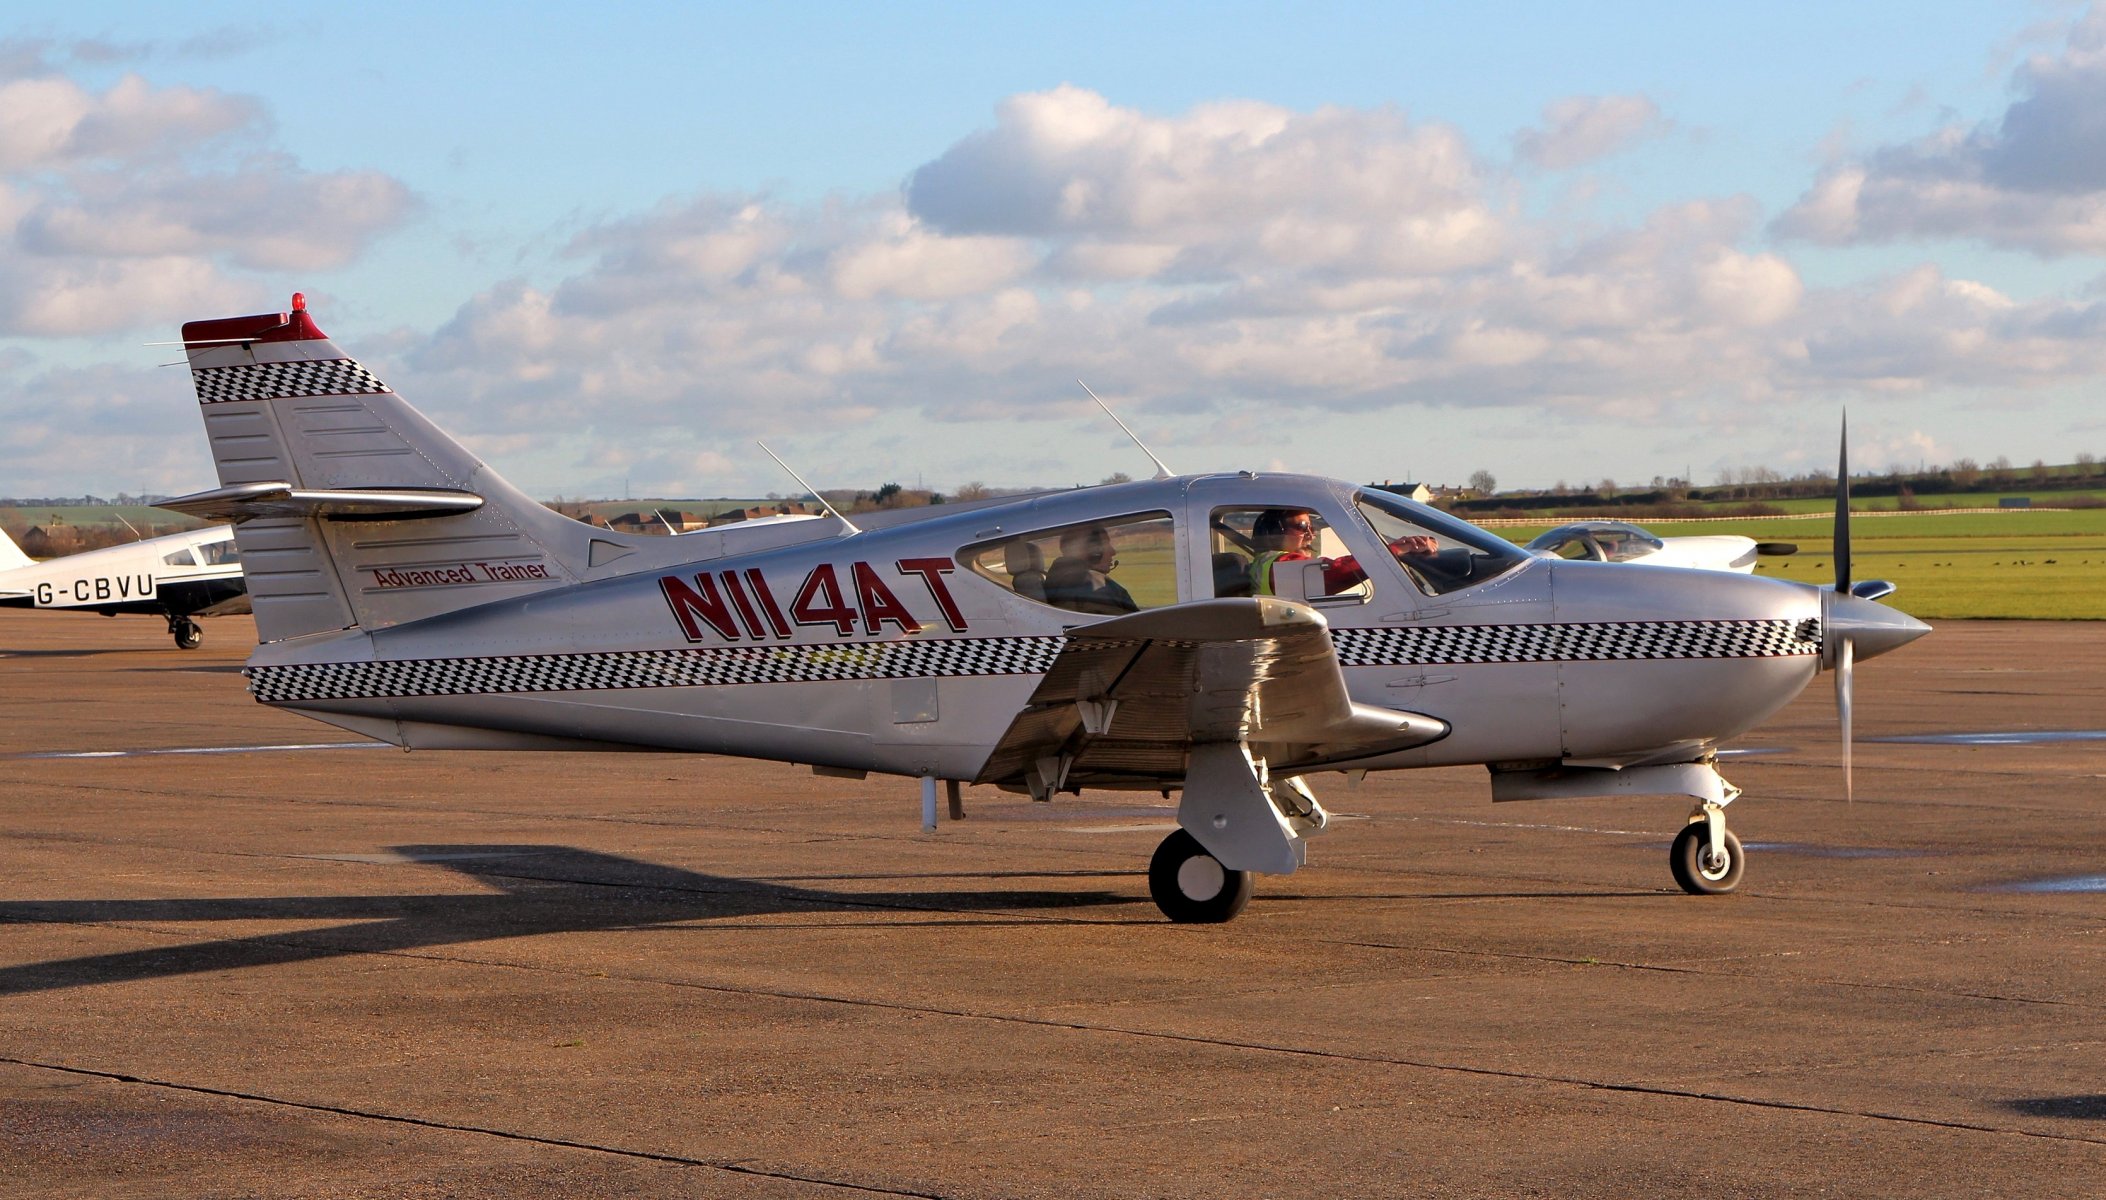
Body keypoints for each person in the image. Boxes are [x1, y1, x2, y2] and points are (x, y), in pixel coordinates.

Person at [1247, 508, 1437, 597]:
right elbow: (1335, 574)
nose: (1310, 534)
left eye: (1312, 527)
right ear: (1274, 532)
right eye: (1302, 526)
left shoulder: (1266, 564)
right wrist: (1396, 549)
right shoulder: (1279, 565)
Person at [1043, 523, 1138, 614]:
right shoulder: (1092, 585)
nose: (1113, 551)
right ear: (1094, 552)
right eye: (1106, 544)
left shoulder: (1060, 580)